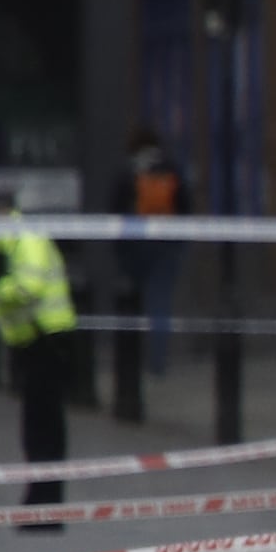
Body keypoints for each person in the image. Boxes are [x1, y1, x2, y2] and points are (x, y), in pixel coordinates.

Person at [0, 192, 75, 520]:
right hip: (33, 341)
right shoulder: (10, 243)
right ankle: (40, 498)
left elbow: (28, 287)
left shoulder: (25, 238)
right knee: (38, 424)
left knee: (43, 425)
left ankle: (46, 502)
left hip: (45, 338)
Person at [124, 131, 183, 375]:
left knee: (130, 303)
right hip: (165, 245)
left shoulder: (128, 171)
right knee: (160, 303)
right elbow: (184, 207)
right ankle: (157, 360)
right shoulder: (171, 169)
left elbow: (116, 208)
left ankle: (132, 358)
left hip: (136, 246)